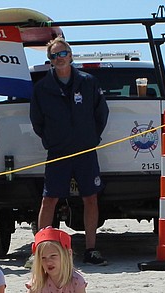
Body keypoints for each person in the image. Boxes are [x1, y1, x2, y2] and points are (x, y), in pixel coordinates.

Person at [30, 38, 109, 266]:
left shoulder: (88, 82)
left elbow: (101, 113)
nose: (59, 58)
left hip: (85, 151)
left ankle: (91, 249)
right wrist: (51, 140)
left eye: (62, 53)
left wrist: (92, 138)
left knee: (91, 198)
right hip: (58, 153)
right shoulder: (42, 88)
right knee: (49, 199)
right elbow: (37, 121)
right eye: (54, 55)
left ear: (71, 54)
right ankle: (39, 250)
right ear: (50, 60)